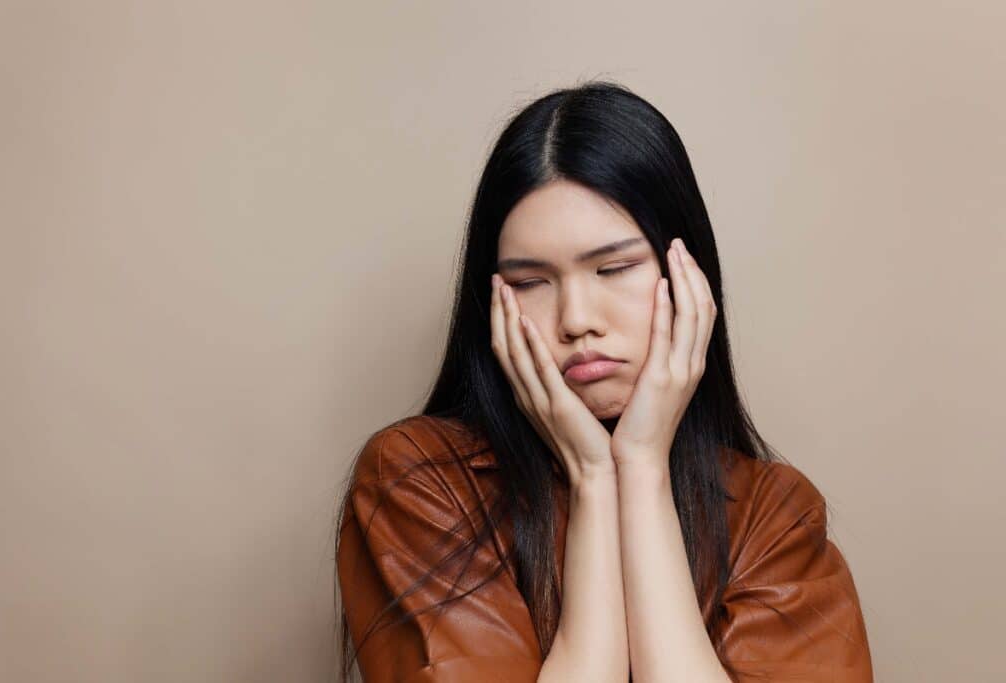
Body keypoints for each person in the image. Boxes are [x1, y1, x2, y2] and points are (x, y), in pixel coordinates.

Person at [333, 80, 874, 682]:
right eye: (530, 282)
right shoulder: (422, 482)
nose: (576, 321)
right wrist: (593, 477)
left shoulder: (774, 516)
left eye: (614, 268)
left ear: (689, 274)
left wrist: (641, 468)